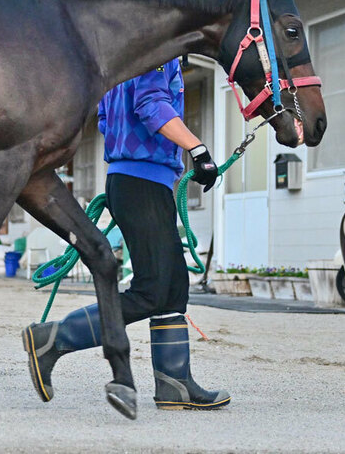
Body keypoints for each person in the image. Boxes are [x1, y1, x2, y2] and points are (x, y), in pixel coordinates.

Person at [24, 58, 230, 410]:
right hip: (142, 183)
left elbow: (105, 119)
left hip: (135, 180)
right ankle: (53, 338)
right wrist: (197, 148)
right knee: (152, 289)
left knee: (173, 286)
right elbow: (151, 105)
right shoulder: (160, 55)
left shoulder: (121, 61)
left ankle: (174, 384)